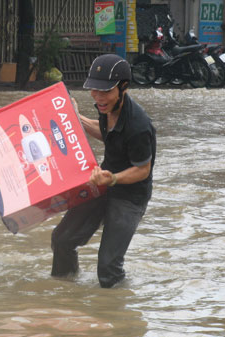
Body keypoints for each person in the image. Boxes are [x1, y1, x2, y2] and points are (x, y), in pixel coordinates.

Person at [51, 54, 156, 288]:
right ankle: (63, 291)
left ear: (124, 87)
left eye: (105, 91)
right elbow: (106, 133)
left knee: (108, 266)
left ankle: (115, 310)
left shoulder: (138, 126)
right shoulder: (105, 107)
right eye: (94, 90)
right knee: (62, 239)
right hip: (103, 183)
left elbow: (142, 170)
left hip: (130, 195)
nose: (98, 97)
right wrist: (75, 118)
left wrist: (114, 178)